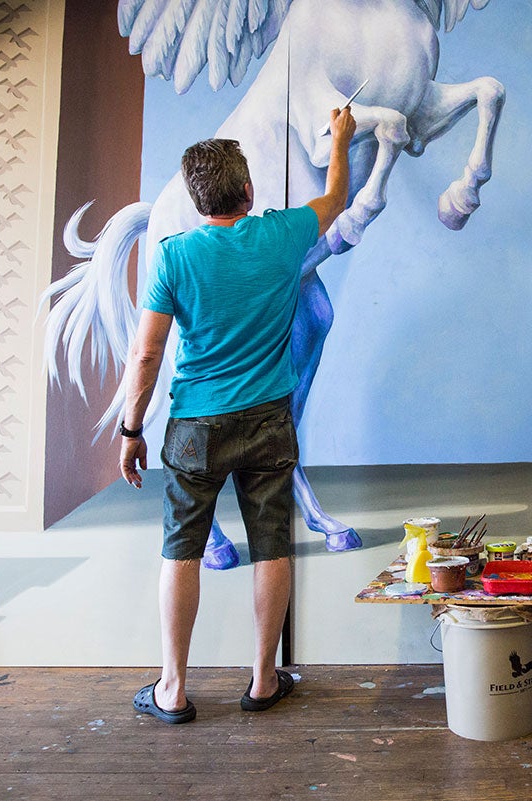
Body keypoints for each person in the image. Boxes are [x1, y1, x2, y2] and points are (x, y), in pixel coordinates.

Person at [121, 108, 357, 724]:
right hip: (267, 421)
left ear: (198, 199)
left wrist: (130, 427)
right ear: (248, 190)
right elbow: (337, 198)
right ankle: (262, 681)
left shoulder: (174, 257)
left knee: (181, 550)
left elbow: (147, 354)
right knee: (271, 545)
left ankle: (172, 689)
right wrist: (340, 139)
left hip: (195, 426)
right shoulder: (281, 235)